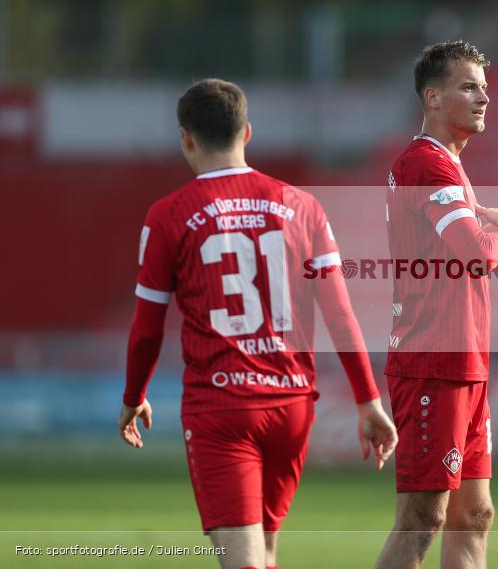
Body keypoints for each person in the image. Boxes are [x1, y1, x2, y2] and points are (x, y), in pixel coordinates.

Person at [118, 78, 397, 569]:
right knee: (265, 553)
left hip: (222, 407)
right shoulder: (304, 207)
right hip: (292, 406)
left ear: (186, 138)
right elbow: (339, 313)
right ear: (247, 133)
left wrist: (133, 395)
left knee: (241, 559)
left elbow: (147, 327)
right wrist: (368, 399)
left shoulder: (168, 216)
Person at [376, 41, 498, 569]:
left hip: (463, 360)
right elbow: (478, 254)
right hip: (432, 359)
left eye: (484, 87)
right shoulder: (425, 164)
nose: (483, 98)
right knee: (422, 518)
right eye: (468, 87)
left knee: (474, 514)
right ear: (432, 98)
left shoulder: (443, 165)